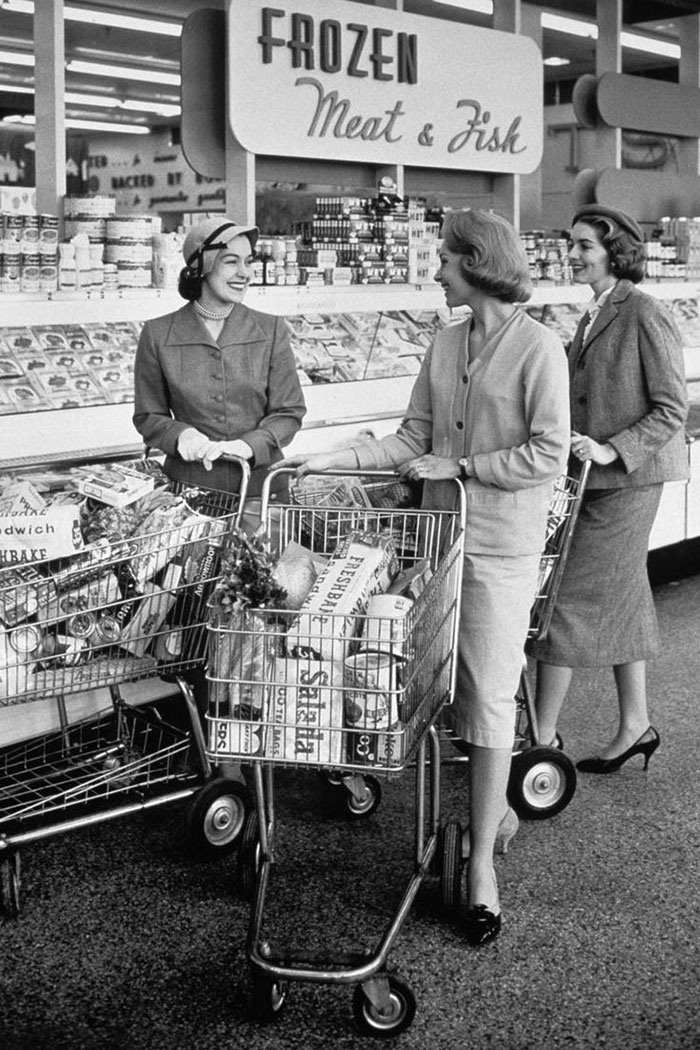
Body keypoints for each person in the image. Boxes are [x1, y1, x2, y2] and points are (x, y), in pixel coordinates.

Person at [283, 209, 570, 946]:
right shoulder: (446, 344)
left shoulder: (540, 349)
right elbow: (413, 437)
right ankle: (486, 815)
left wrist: (464, 465)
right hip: (439, 544)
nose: (435, 270)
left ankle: (480, 866)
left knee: (488, 695)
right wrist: (331, 461)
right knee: (438, 692)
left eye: (444, 258)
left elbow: (548, 453)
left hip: (501, 550)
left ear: (476, 262)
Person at [529, 204, 689, 774]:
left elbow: (672, 405)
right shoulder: (593, 312)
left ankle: (540, 739)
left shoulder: (643, 311)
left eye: (583, 245)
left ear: (616, 249)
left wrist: (610, 448)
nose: (572, 254)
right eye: (570, 244)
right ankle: (634, 725)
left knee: (565, 601)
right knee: (623, 595)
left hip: (629, 479)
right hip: (598, 481)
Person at [133, 217, 306, 504]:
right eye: (231, 262)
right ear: (202, 266)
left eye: (248, 262)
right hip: (188, 494)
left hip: (261, 491)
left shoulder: (270, 329)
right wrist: (181, 435)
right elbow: (148, 415)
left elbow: (289, 412)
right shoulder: (158, 334)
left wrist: (247, 446)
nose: (245, 273)